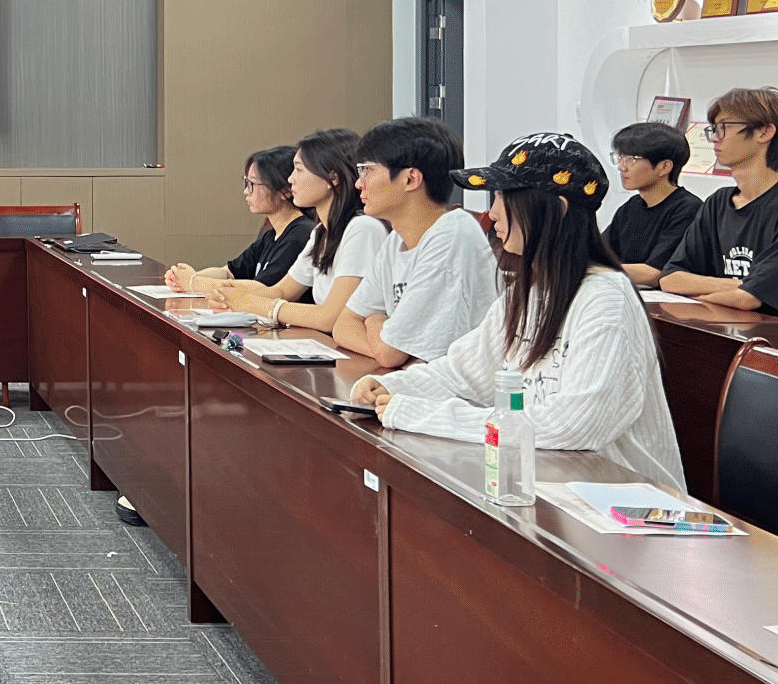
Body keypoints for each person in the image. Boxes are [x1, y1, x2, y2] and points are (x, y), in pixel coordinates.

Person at [351, 134, 685, 492]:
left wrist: (426, 415)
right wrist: (392, 386)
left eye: (503, 197)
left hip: (623, 502)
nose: (492, 212)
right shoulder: (532, 291)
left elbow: (574, 426)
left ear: (556, 208)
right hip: (552, 485)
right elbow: (463, 373)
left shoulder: (606, 298)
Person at [332, 116, 498, 370]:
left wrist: (375, 320)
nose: (358, 183)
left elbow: (389, 354)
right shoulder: (396, 240)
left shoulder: (452, 235)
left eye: (367, 170)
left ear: (410, 179)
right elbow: (344, 326)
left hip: (461, 390)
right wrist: (384, 339)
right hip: (414, 381)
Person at [212, 128, 386, 335]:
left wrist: (253, 303)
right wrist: (227, 292)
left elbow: (329, 317)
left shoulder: (362, 228)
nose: (291, 179)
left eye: (299, 170)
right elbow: (282, 291)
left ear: (333, 177)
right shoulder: (321, 231)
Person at [661, 87, 778, 313]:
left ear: (765, 132)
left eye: (724, 127)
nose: (715, 138)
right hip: (723, 327)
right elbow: (671, 278)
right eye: (714, 129)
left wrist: (703, 291)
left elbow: (747, 299)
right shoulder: (718, 202)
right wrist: (738, 285)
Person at [164, 146, 312, 294]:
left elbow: (262, 291)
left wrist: (194, 282)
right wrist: (186, 277)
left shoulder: (301, 234)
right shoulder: (271, 235)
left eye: (253, 184)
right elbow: (228, 272)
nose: (246, 191)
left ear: (285, 190)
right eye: (246, 183)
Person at [602, 119, 701, 289]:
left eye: (631, 159)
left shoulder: (688, 210)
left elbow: (654, 273)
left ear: (664, 167)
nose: (621, 167)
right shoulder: (631, 207)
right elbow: (601, 252)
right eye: (620, 157)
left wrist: (595, 267)